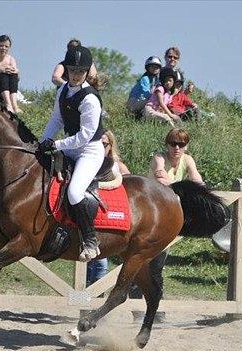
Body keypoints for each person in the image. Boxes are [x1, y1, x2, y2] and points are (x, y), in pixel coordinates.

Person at [39, 45, 105, 262]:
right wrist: (42, 142)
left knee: (75, 192)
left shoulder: (90, 99)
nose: (75, 75)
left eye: (80, 71)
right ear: (66, 70)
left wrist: (56, 144)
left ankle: (90, 240)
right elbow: (56, 120)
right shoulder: (62, 91)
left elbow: (85, 136)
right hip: (68, 147)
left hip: (89, 151)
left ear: (86, 72)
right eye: (72, 70)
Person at [130, 128, 204, 322]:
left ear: (186, 146)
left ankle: (156, 308)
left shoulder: (188, 160)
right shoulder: (159, 158)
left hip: (166, 219)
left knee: (157, 266)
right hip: (149, 217)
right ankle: (137, 308)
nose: (177, 148)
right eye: (173, 143)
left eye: (181, 144)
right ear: (167, 144)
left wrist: (196, 189)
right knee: (141, 262)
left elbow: (198, 180)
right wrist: (188, 189)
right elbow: (162, 179)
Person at [86, 130, 130, 286]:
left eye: (104, 144)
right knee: (87, 261)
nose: (100, 148)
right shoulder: (86, 162)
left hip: (107, 217)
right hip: (88, 214)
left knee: (100, 262)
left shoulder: (117, 166)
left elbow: (129, 189)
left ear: (110, 146)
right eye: (97, 144)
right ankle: (83, 299)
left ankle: (93, 297)